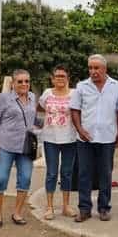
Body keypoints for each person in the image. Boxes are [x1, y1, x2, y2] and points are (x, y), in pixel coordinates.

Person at [70, 54, 118, 223]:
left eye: (96, 68)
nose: (93, 72)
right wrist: (80, 129)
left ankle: (104, 208)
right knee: (84, 174)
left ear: (104, 69)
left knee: (105, 174)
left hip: (107, 137)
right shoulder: (81, 87)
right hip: (86, 139)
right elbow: (74, 110)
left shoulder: (116, 87)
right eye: (90, 68)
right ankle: (84, 209)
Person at [0, 69, 37, 228]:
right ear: (13, 83)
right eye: (20, 81)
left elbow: (33, 119)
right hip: (5, 146)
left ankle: (17, 213)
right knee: (0, 178)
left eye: (27, 81)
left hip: (25, 148)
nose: (24, 84)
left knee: (26, 179)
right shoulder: (4, 98)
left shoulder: (32, 97)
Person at [38, 64, 78, 220]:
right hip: (50, 138)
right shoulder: (47, 93)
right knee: (52, 173)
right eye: (57, 76)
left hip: (69, 138)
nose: (60, 79)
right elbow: (41, 108)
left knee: (67, 173)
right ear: (52, 79)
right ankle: (49, 207)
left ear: (68, 78)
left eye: (63, 76)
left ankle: (66, 206)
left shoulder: (75, 94)